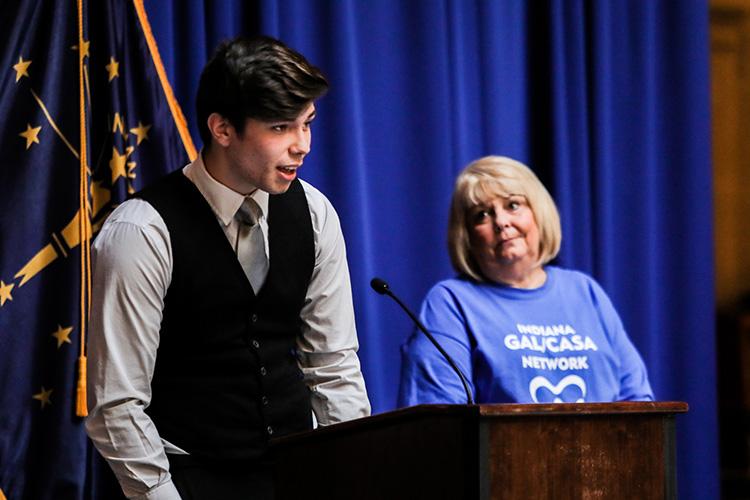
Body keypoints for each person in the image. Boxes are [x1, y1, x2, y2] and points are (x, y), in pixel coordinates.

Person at [86, 35, 371, 500]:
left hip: (300, 472)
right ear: (221, 129)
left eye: (308, 124)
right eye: (281, 127)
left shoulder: (315, 213)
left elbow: (333, 365)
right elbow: (116, 403)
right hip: (187, 481)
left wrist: (357, 476)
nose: (303, 145)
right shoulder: (140, 232)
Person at [397, 156, 653, 407]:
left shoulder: (584, 291)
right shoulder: (451, 302)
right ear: (467, 238)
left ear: (538, 213)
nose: (501, 222)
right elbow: (438, 421)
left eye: (513, 205)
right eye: (482, 214)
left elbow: (638, 400)